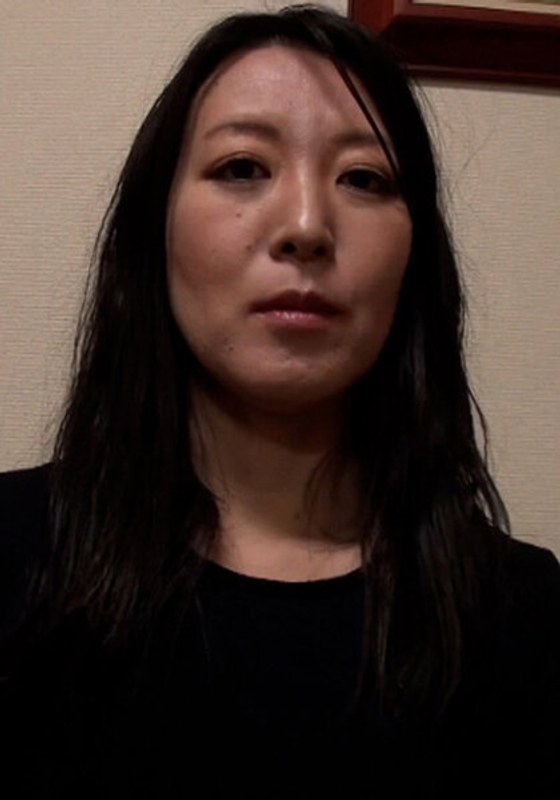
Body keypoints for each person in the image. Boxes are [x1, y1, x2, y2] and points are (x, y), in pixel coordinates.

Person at [1, 5, 558, 798]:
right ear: (153, 232)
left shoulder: (523, 613)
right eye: (242, 167)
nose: (306, 226)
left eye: (363, 178)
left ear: (415, 263)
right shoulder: (12, 554)